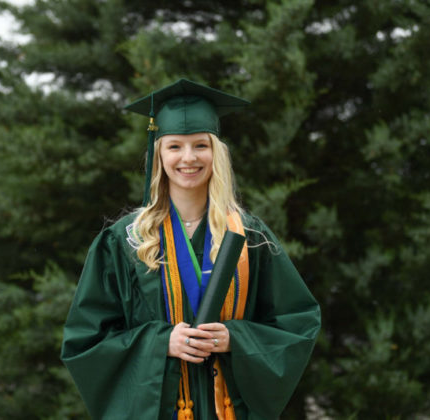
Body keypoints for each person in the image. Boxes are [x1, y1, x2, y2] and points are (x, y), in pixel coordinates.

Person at [61, 79, 321, 420]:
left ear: (216, 153)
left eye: (200, 145)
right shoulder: (124, 242)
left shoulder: (249, 235)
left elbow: (297, 323)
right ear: (159, 154)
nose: (188, 158)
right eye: (174, 146)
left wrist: (235, 339)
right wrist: (159, 344)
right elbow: (86, 341)